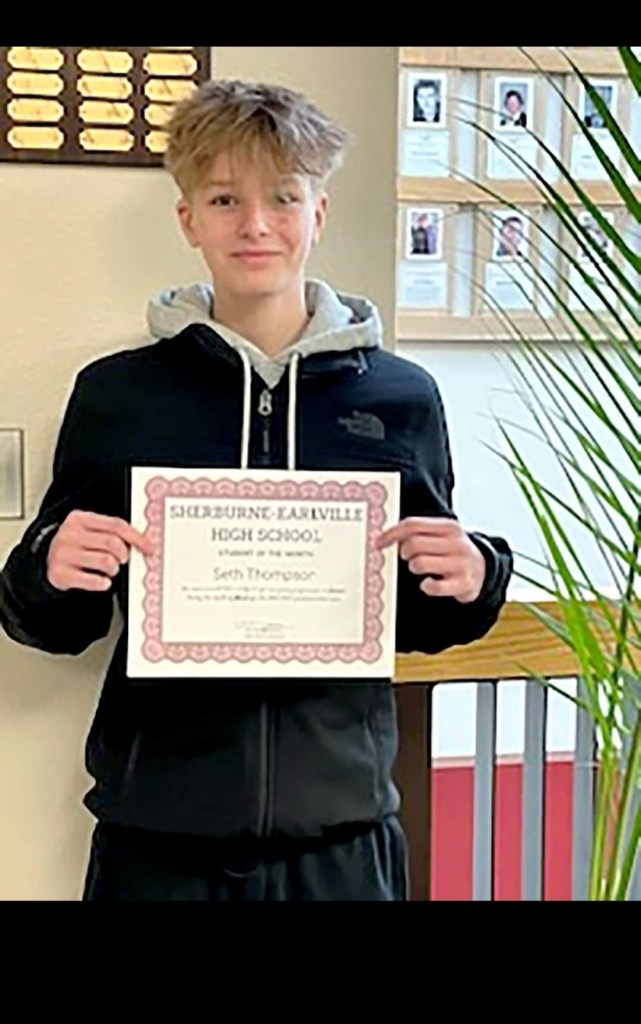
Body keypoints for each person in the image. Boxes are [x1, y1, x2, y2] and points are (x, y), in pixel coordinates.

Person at [0, 79, 513, 901]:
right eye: (224, 199)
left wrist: (475, 574)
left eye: (283, 197)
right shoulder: (118, 394)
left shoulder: (399, 396)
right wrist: (48, 568)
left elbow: (421, 619)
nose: (255, 224)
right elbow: (52, 621)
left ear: (319, 212)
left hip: (341, 841)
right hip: (158, 841)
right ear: (188, 219)